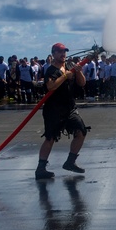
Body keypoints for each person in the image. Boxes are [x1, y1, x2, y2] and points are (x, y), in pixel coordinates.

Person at [35, 43, 88, 180]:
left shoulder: (70, 66)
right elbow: (51, 86)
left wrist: (79, 71)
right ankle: (40, 169)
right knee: (50, 138)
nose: (63, 54)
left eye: (64, 52)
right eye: (59, 52)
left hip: (70, 108)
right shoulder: (50, 70)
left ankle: (70, 162)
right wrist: (65, 76)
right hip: (54, 110)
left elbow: (82, 83)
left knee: (81, 131)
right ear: (53, 54)